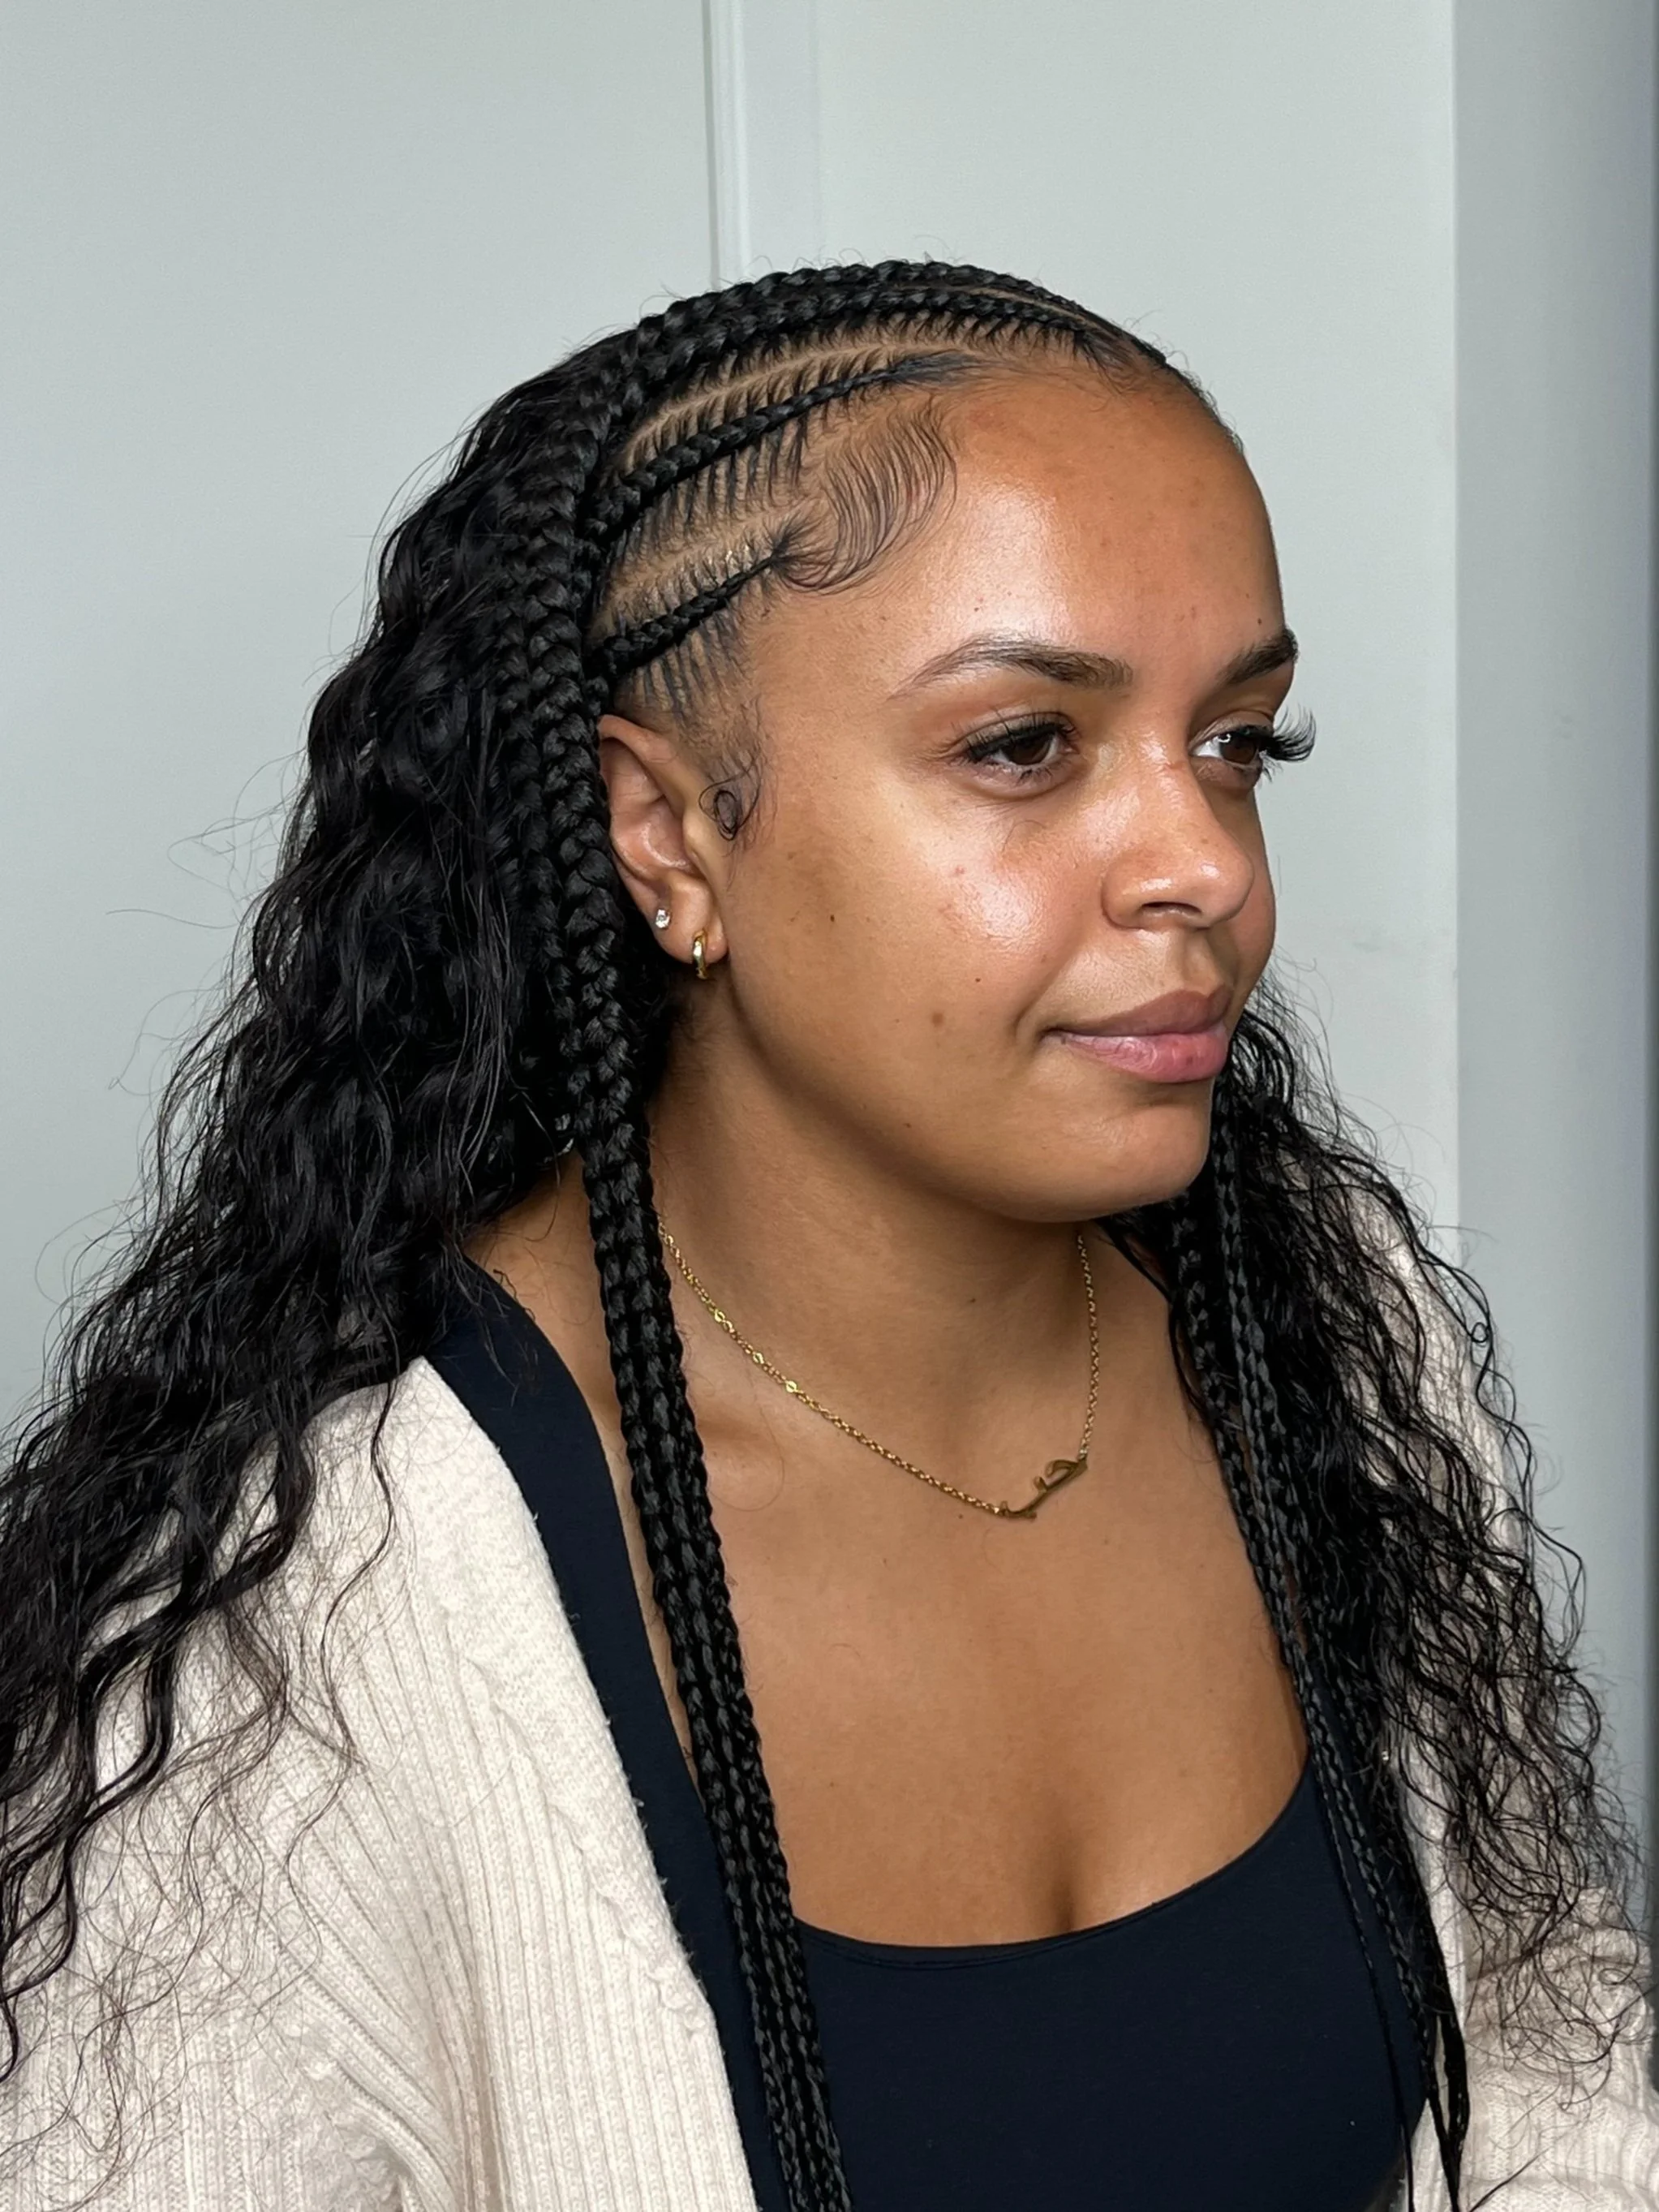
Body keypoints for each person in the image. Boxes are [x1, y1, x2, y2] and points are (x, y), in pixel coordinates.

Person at [1, 260, 1653, 2212]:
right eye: (1023, 746)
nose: (1205, 862)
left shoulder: (1325, 1337)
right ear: (668, 836)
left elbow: (1562, 2098)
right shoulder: (311, 1643)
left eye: (1237, 743)